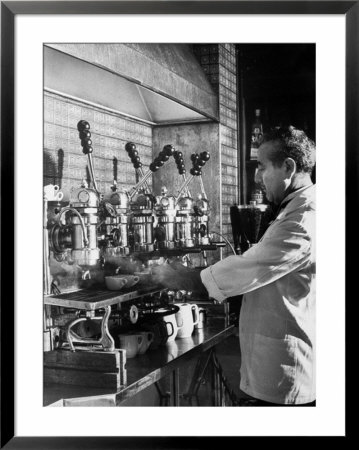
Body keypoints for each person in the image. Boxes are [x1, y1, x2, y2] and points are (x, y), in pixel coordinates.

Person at [152, 125, 316, 406]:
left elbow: (247, 269)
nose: (256, 177)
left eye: (262, 167)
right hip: (275, 366)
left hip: (286, 377)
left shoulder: (303, 219)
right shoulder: (296, 208)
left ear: (288, 167)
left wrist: (171, 275)